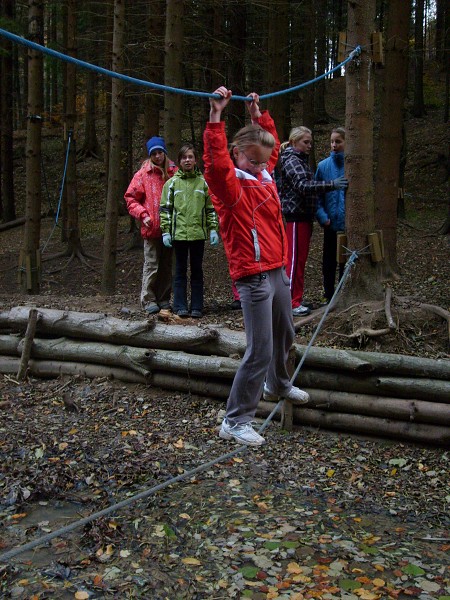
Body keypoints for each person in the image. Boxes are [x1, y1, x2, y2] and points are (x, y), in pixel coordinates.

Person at [203, 87, 310, 446]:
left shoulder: (263, 175)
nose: (263, 165)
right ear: (237, 154)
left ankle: (277, 383)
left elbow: (273, 147)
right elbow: (216, 164)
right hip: (252, 274)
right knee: (259, 348)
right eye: (254, 160)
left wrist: (257, 116)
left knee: (286, 334)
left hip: (277, 268)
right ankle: (235, 420)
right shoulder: (230, 186)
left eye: (265, 161)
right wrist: (216, 116)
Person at [279, 127, 348, 316]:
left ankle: (296, 298)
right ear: (294, 142)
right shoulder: (291, 159)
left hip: (304, 217)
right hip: (296, 217)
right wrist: (331, 185)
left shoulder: (300, 160)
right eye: (305, 142)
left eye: (311, 142)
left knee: (300, 260)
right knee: (294, 261)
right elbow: (303, 186)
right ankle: (291, 302)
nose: (310, 146)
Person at [160, 143, 218, 318]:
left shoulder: (204, 183)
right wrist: (165, 231)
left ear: (195, 160)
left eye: (190, 157)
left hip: (198, 235)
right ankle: (180, 306)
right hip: (178, 235)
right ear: (179, 161)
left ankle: (197, 307)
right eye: (184, 157)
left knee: (197, 270)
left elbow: (211, 208)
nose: (187, 160)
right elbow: (165, 209)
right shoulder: (171, 184)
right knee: (179, 271)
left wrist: (213, 229)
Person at [124, 136, 177, 314]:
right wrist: (143, 215)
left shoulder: (174, 172)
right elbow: (130, 198)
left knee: (166, 266)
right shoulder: (142, 175)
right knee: (151, 265)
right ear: (150, 155)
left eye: (160, 152)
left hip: (170, 228)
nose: (157, 156)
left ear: (164, 152)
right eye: (153, 153)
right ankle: (148, 299)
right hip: (151, 228)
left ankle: (163, 298)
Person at [316, 127, 347, 303]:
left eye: (338, 141)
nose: (334, 145)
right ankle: (329, 295)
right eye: (332, 141)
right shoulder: (323, 166)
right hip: (329, 223)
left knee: (345, 261)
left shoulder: (353, 166)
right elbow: (317, 195)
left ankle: (343, 295)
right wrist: (322, 216)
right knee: (329, 262)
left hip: (347, 224)